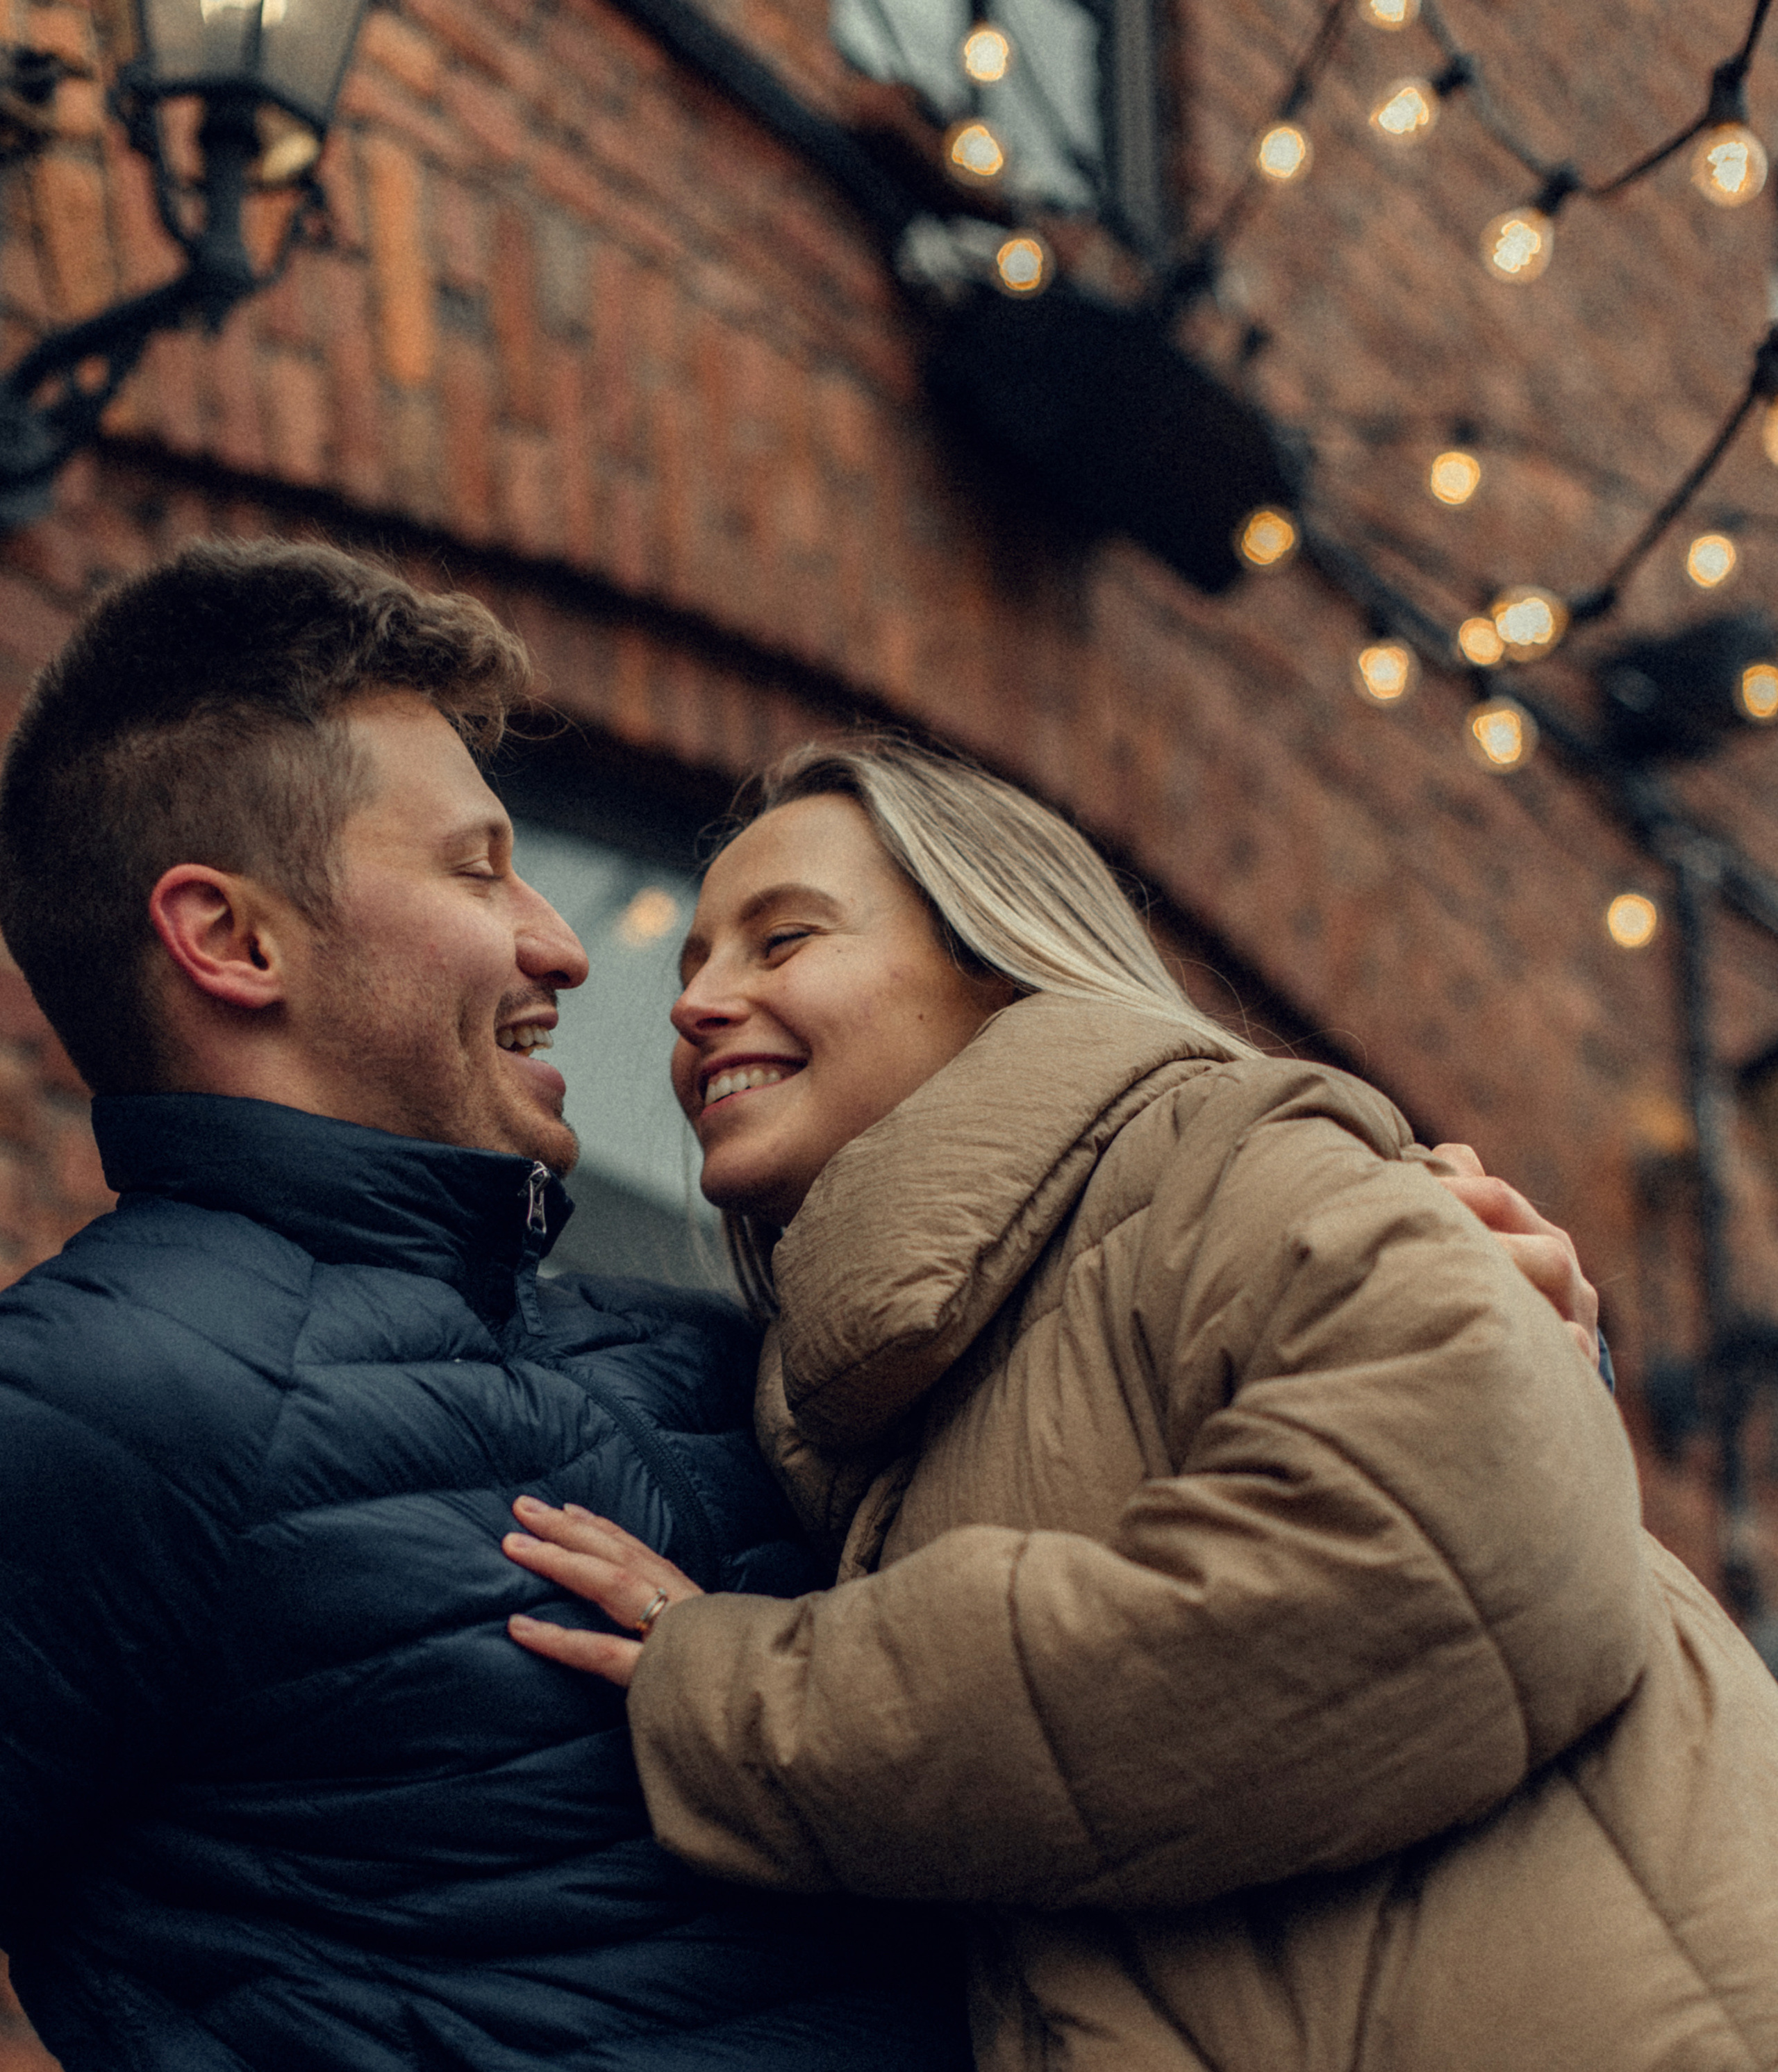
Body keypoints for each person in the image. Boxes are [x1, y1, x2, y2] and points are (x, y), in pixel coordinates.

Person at [504, 736, 1778, 2072]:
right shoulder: (892, 1397)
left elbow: (1438, 1564)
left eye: (784, 941)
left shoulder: (1223, 1158)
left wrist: (747, 1702)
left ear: (999, 961)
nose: (699, 1005)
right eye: (691, 965)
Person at [0, 547, 972, 2072]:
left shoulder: (708, 1357)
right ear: (234, 941)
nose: (562, 945)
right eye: (475, 870)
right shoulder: (98, 1403)